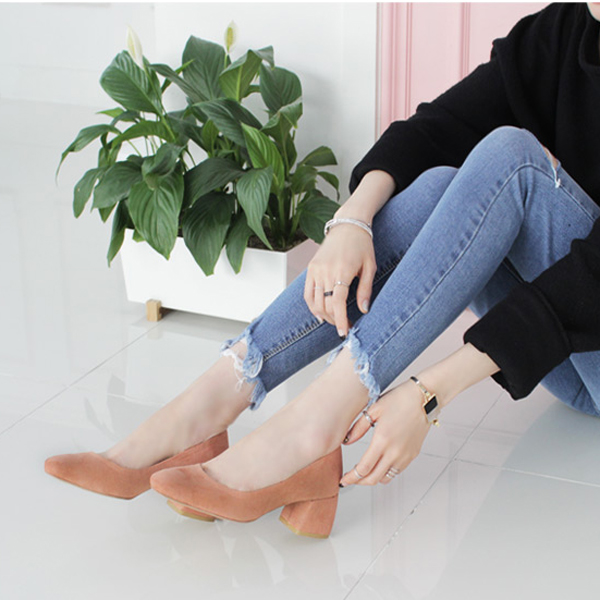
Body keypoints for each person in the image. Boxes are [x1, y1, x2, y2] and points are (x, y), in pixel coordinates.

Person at [45, 2, 600, 538]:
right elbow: (438, 127)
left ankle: (316, 425)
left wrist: (428, 393)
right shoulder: (562, 31)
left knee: (512, 160)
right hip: (567, 352)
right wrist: (352, 220)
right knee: (437, 182)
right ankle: (219, 393)